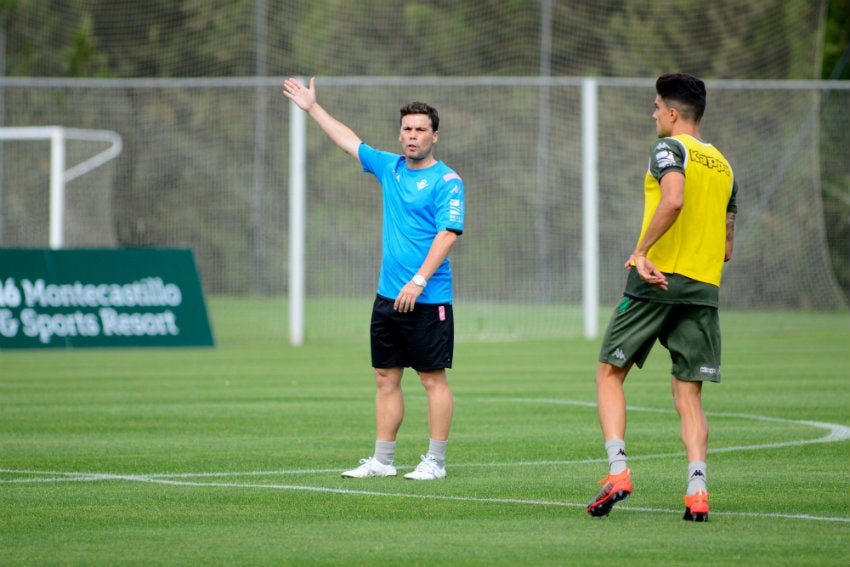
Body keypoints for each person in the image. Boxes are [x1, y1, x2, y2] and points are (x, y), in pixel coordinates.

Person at [283, 77, 465, 481]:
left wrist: (418, 280)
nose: (412, 136)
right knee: (385, 377)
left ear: (435, 136)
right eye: (407, 129)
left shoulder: (447, 181)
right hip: (387, 296)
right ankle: (383, 460)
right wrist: (313, 108)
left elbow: (447, 234)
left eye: (420, 129)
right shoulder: (391, 168)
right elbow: (349, 140)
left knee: (432, 380)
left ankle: (435, 462)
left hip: (428, 297)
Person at [586, 73, 738, 521]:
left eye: (656, 108)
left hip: (656, 278)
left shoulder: (668, 149)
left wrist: (641, 252)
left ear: (672, 113)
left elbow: (672, 200)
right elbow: (727, 248)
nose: (653, 115)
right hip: (703, 288)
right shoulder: (726, 166)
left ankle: (617, 472)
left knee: (609, 374)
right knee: (688, 395)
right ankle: (697, 490)